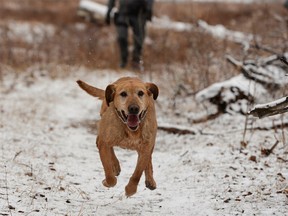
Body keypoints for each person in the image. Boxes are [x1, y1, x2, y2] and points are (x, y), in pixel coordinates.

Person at [105, 0, 154, 70]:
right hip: (122, 13)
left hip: (138, 14)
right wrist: (108, 12)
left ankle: (136, 61)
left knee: (139, 39)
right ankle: (123, 60)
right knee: (121, 37)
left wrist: (149, 9)